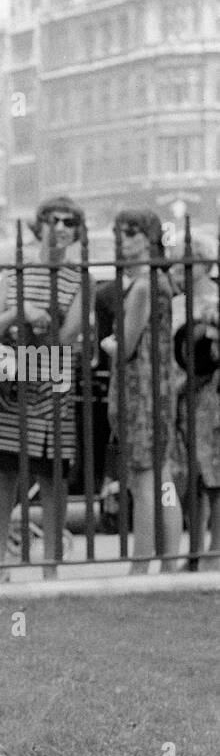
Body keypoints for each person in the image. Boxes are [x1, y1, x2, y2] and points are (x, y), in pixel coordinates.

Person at [0, 195, 88, 579]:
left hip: (51, 391)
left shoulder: (79, 279)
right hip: (8, 393)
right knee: (1, 479)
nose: (61, 228)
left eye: (69, 222)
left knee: (53, 480)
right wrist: (19, 314)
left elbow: (67, 337)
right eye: (54, 220)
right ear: (40, 226)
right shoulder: (14, 274)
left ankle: (50, 566)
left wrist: (35, 331)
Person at [100, 210, 182, 574]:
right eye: (121, 232)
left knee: (144, 480)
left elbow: (128, 344)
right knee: (160, 478)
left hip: (140, 390)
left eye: (132, 233)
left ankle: (141, 562)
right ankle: (167, 561)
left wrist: (107, 344)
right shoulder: (161, 280)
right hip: (159, 387)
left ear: (148, 238)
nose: (124, 240)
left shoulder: (144, 285)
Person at [173, 238, 220, 568]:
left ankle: (215, 551)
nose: (177, 270)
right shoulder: (176, 303)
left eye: (183, 263)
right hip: (179, 399)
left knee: (213, 477)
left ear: (203, 264)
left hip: (209, 397)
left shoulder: (213, 303)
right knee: (190, 481)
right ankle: (194, 551)